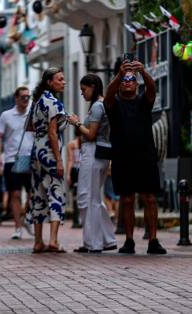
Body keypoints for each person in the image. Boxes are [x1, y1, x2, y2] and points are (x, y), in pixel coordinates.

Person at [104, 61, 166, 255]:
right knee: (127, 199)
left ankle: (153, 240)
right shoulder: (114, 104)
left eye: (132, 79)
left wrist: (143, 72)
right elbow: (107, 96)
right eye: (125, 79)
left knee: (149, 198)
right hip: (123, 157)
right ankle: (129, 240)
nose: (128, 82)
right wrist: (119, 75)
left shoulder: (143, 101)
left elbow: (152, 89)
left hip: (145, 156)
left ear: (137, 84)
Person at [68, 74, 117, 253]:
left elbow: (91, 134)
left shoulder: (97, 106)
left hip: (93, 151)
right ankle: (106, 239)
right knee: (94, 197)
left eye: (84, 89)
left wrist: (76, 123)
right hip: (100, 153)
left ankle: (93, 242)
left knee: (86, 197)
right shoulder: (102, 104)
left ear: (92, 86)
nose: (82, 93)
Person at [27, 67, 68, 253]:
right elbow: (53, 133)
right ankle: (53, 240)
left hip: (36, 151)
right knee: (56, 192)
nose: (64, 82)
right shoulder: (54, 103)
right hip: (50, 153)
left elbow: (30, 127)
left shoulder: (36, 103)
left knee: (38, 195)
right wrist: (59, 160)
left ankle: (38, 241)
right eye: (60, 79)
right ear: (50, 82)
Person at [0, 86, 34, 239]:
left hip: (30, 158)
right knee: (15, 193)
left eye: (28, 97)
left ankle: (26, 217)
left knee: (32, 193)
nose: (25, 99)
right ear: (16, 98)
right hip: (12, 158)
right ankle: (18, 227)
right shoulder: (6, 115)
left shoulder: (32, 114)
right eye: (23, 97)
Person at [65, 130, 82, 228]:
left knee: (76, 195)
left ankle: (77, 219)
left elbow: (70, 160)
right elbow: (70, 160)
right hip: (81, 170)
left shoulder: (71, 144)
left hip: (76, 170)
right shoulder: (85, 144)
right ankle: (78, 219)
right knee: (80, 195)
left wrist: (68, 174)